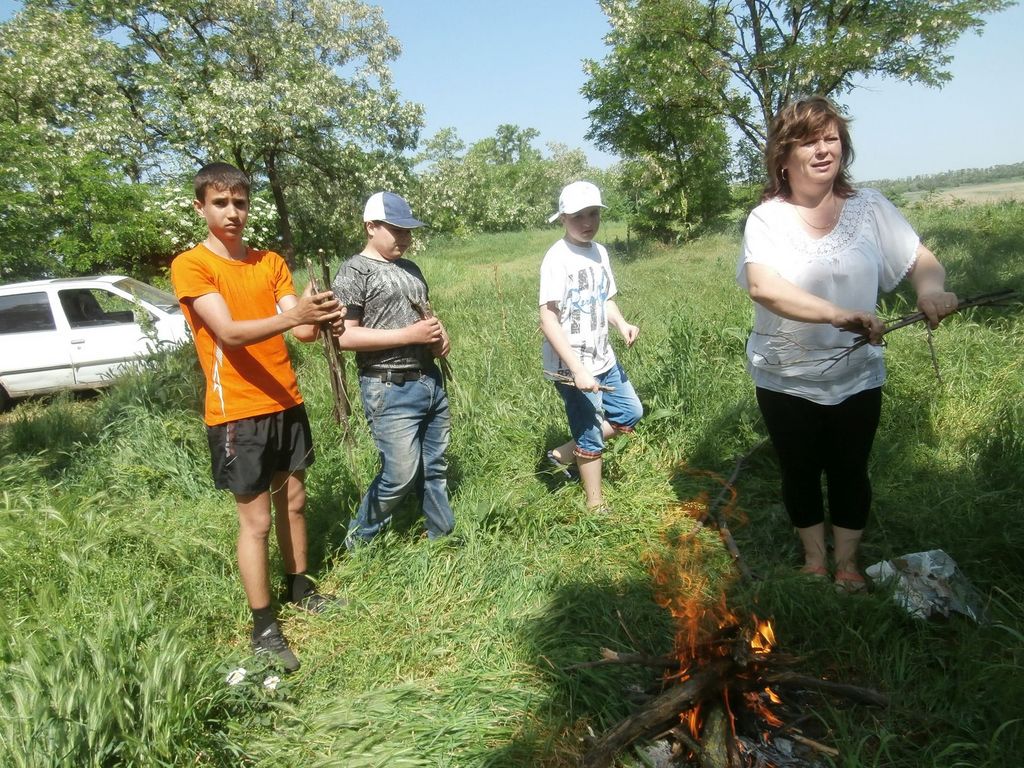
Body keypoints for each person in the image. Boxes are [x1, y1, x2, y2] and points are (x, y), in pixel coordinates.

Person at [736, 97, 959, 592]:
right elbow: (764, 287)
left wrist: (931, 291)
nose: (823, 150)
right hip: (786, 374)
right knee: (799, 468)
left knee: (850, 468)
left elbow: (920, 259)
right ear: (783, 156)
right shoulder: (767, 219)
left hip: (855, 373)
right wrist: (840, 315)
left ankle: (848, 563)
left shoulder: (870, 208)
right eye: (809, 141)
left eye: (831, 138)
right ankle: (815, 559)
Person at [171, 162, 345, 672]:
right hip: (237, 413)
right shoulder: (192, 265)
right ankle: (264, 625)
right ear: (201, 206)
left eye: (240, 203)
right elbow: (228, 332)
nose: (232, 212)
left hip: (286, 401)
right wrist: (294, 316)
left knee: (294, 502)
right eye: (220, 203)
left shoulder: (269, 261)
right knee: (256, 522)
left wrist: (319, 313)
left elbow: (301, 332)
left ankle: (300, 586)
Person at [332, 192, 456, 547]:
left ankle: (441, 538)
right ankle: (358, 541)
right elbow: (343, 337)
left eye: (408, 231)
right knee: (399, 475)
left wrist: (439, 336)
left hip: (429, 379)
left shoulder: (410, 269)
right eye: (396, 229)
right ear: (370, 227)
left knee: (434, 468)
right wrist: (409, 335)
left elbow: (426, 314)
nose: (403, 237)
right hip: (388, 385)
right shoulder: (354, 271)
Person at [540, 181, 644, 513]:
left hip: (603, 356)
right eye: (578, 216)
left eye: (593, 214)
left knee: (630, 411)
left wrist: (622, 323)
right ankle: (595, 505)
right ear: (563, 218)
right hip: (572, 365)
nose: (587, 223)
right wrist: (576, 368)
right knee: (589, 433)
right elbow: (548, 319)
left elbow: (605, 300)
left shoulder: (600, 253)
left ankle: (564, 454)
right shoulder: (557, 258)